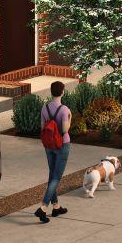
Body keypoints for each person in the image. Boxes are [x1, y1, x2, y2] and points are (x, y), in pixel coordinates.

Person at [36, 80, 71, 223]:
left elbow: (42, 127)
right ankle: (43, 207)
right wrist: (70, 118)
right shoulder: (64, 110)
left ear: (51, 92)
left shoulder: (44, 108)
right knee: (56, 178)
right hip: (62, 145)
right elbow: (65, 130)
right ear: (62, 92)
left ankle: (56, 206)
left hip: (48, 145)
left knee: (52, 175)